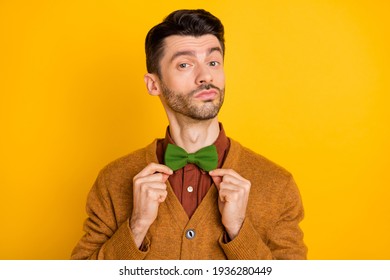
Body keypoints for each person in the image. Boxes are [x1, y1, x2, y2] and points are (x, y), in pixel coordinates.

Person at [71, 9, 307, 260]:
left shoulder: (278, 184)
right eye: (185, 64)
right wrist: (137, 226)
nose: (206, 76)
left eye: (213, 62)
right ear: (154, 84)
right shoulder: (113, 180)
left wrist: (239, 230)